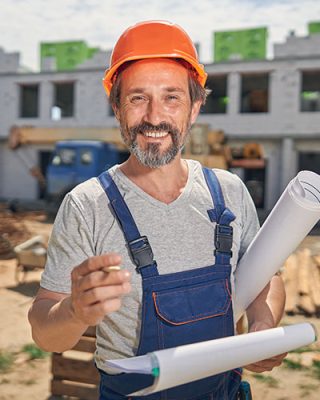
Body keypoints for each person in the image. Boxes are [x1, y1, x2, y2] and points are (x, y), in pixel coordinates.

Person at [28, 20, 286, 400]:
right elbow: (44, 332)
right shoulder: (87, 205)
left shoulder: (228, 192)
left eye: (171, 97)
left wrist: (264, 322)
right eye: (137, 98)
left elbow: (267, 276)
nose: (153, 116)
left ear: (195, 107)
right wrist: (74, 312)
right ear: (116, 107)